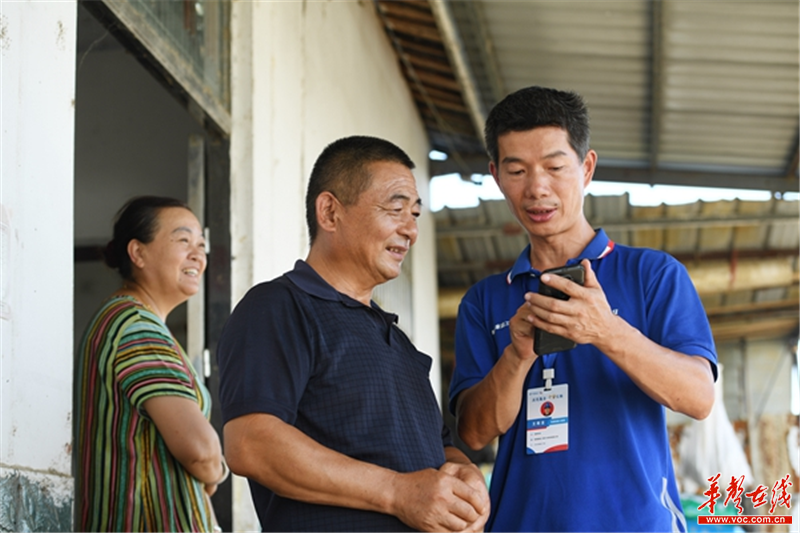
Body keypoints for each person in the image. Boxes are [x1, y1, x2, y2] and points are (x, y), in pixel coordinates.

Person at [448, 86, 718, 532]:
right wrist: (517, 356)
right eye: (517, 171)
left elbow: (699, 397)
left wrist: (607, 331)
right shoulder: (484, 301)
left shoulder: (653, 274)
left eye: (555, 167)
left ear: (587, 167)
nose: (537, 188)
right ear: (496, 176)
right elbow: (474, 432)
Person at [217, 135, 490, 532]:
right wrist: (396, 492)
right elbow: (250, 443)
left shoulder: (398, 341)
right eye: (395, 209)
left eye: (415, 214)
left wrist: (466, 475)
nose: (411, 230)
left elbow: (441, 448)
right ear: (330, 212)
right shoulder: (279, 307)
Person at [74, 196, 226, 532]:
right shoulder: (136, 327)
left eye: (201, 245)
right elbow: (201, 451)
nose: (198, 254)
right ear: (138, 253)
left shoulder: (129, 321)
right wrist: (216, 470)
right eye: (183, 240)